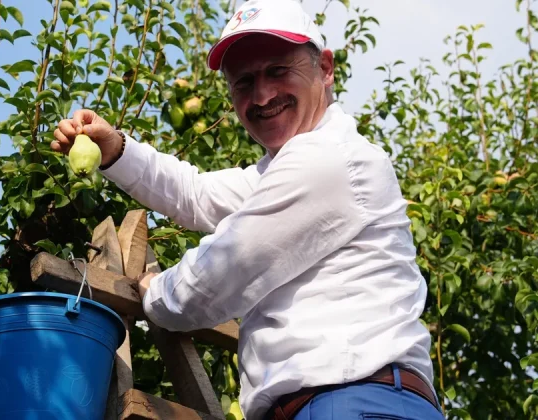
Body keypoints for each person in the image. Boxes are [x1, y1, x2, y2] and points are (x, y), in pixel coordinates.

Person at [51, 0, 446, 418]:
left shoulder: (327, 160)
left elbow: (219, 274)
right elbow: (196, 194)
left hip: (350, 402)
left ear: (325, 69)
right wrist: (115, 148)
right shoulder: (287, 169)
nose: (262, 95)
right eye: (243, 82)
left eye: (278, 70)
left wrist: (154, 291)